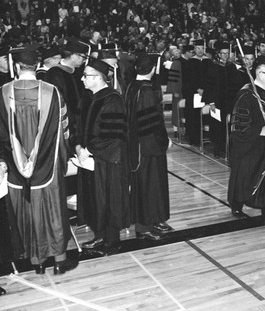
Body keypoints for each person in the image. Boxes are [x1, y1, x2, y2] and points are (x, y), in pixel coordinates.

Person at [0, 46, 77, 274]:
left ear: (16, 66)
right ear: (36, 66)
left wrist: (6, 159)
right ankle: (59, 260)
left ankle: (37, 262)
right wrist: (60, 158)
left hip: (14, 167)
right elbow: (64, 131)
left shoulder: (2, 92)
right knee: (52, 209)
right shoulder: (51, 92)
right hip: (48, 165)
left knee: (27, 209)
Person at [227, 57, 265, 228]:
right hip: (251, 148)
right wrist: (259, 131)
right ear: (260, 74)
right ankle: (237, 205)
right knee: (245, 178)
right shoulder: (246, 95)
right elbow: (238, 125)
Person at [76, 58, 129, 255]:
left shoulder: (113, 99)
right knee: (94, 198)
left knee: (108, 199)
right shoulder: (88, 97)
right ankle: (99, 235)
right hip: (89, 158)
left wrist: (88, 149)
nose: (82, 79)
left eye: (86, 76)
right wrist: (78, 146)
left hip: (108, 160)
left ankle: (111, 240)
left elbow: (113, 134)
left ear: (99, 78)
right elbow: (78, 127)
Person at [125, 53, 171, 241]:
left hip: (136, 145)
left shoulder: (131, 87)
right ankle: (145, 226)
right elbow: (152, 123)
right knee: (150, 185)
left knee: (144, 185)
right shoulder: (145, 91)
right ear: (152, 69)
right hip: (148, 147)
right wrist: (164, 141)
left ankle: (151, 220)